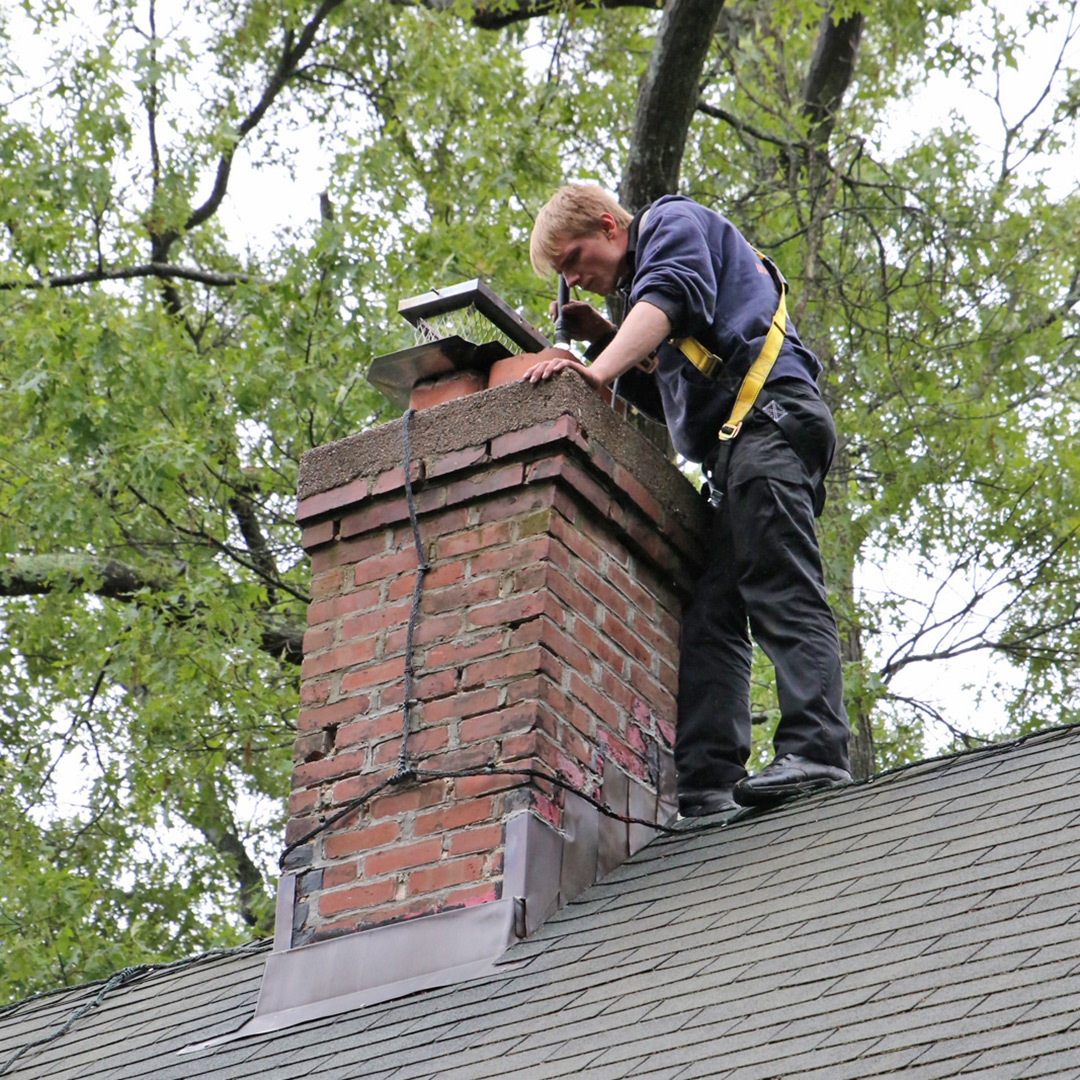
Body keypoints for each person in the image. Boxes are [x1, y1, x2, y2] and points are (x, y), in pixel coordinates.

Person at [522, 184, 851, 815]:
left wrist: (592, 370)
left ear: (607, 225)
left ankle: (817, 749)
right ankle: (708, 784)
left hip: (770, 422)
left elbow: (669, 297)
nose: (578, 280)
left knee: (779, 580)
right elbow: (669, 410)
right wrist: (601, 340)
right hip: (739, 447)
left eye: (574, 259)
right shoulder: (655, 299)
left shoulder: (670, 224)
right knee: (712, 609)